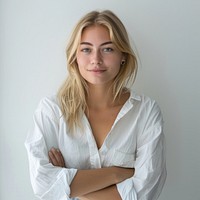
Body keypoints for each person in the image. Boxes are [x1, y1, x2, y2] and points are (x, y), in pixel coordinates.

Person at [25, 10, 166, 200]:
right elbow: (42, 184)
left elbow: (146, 191)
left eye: (107, 49)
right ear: (75, 56)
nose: (96, 60)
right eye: (86, 49)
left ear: (122, 55)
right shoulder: (51, 110)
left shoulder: (146, 112)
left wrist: (70, 184)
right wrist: (116, 174)